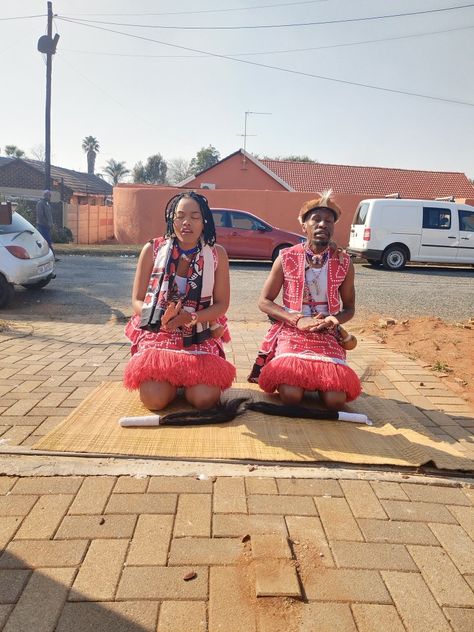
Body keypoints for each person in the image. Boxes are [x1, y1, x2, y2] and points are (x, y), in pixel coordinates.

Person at [248, 190, 361, 410]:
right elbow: (264, 301)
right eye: (316, 219)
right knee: (291, 396)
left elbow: (349, 308)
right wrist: (296, 319)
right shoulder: (286, 257)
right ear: (304, 226)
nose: (322, 224)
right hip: (293, 330)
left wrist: (331, 321)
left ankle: (314, 378)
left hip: (326, 332)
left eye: (328, 221)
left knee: (335, 400)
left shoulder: (344, 262)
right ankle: (303, 378)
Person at [124, 191, 236, 411]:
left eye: (195, 216)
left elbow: (221, 305)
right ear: (171, 220)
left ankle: (185, 380)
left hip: (199, 330)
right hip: (160, 330)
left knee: (204, 399)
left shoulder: (216, 254)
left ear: (204, 222)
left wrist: (192, 317)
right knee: (154, 400)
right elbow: (137, 300)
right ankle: (172, 381)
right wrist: (158, 316)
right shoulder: (152, 249)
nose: (187, 222)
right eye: (180, 216)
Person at [35, 190, 59, 261]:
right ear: (45, 196)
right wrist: (47, 224)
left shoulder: (47, 204)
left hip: (47, 227)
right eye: (49, 196)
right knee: (47, 242)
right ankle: (52, 257)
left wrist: (51, 224)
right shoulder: (40, 203)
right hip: (42, 226)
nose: (50, 197)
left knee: (46, 242)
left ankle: (51, 257)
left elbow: (49, 216)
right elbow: (40, 216)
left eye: (50, 196)